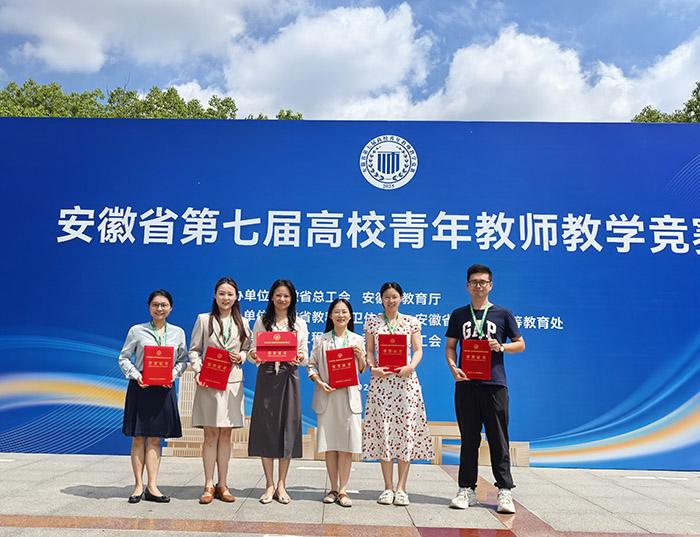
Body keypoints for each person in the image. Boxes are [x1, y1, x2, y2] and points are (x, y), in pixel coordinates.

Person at [445, 264, 525, 514]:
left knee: (498, 439)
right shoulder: (459, 314)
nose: (478, 285)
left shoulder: (503, 314)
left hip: (495, 385)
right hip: (466, 384)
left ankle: (505, 491)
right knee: (468, 439)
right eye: (474, 282)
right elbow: (451, 347)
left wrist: (501, 347)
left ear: (490, 285)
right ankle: (466, 490)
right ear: (467, 286)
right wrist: (453, 368)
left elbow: (520, 344)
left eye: (483, 282)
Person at [362, 282, 433, 507]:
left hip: (405, 384)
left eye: (394, 297)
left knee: (405, 432)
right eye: (386, 297)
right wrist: (372, 368)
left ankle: (401, 488)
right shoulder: (372, 322)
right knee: (384, 431)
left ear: (401, 298)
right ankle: (387, 487)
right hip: (381, 383)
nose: (390, 301)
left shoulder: (411, 322)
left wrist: (411, 366)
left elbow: (418, 350)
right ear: (381, 299)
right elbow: (369, 351)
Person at [118, 289, 188, 504]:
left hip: (164, 389)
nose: (160, 309)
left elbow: (183, 360)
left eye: (164, 305)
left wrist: (173, 375)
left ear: (171, 308)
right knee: (139, 437)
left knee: (156, 438)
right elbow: (124, 358)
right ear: (149, 307)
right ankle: (138, 486)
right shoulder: (136, 331)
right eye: (155, 305)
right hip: (141, 387)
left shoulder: (178, 332)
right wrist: (136, 375)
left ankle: (152, 486)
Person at [189, 277, 251, 504]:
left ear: (236, 297)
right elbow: (194, 350)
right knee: (210, 434)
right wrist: (198, 371)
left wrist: (241, 356)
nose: (226, 298)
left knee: (226, 434)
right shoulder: (204, 320)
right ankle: (208, 484)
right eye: (222, 293)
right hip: (209, 383)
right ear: (215, 295)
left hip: (232, 384)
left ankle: (222, 484)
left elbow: (249, 349)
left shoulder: (243, 322)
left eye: (230, 294)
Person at [247, 279, 309, 504]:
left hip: (289, 376)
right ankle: (269, 484)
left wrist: (299, 357)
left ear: (292, 299)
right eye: (278, 295)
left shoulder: (299, 323)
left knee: (287, 427)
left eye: (286, 295)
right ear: (271, 297)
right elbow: (253, 350)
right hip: (266, 376)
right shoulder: (262, 321)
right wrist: (254, 355)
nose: (282, 299)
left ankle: (282, 484)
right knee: (266, 427)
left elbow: (304, 354)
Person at [308, 298, 366, 507]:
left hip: (348, 399)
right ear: (330, 316)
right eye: (337, 312)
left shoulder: (357, 340)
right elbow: (311, 366)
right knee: (330, 445)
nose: (341, 315)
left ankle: (343, 490)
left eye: (344, 312)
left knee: (347, 446)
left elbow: (362, 369)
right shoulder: (320, 340)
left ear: (350, 316)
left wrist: (360, 357)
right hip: (328, 396)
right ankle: (333, 488)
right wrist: (320, 382)